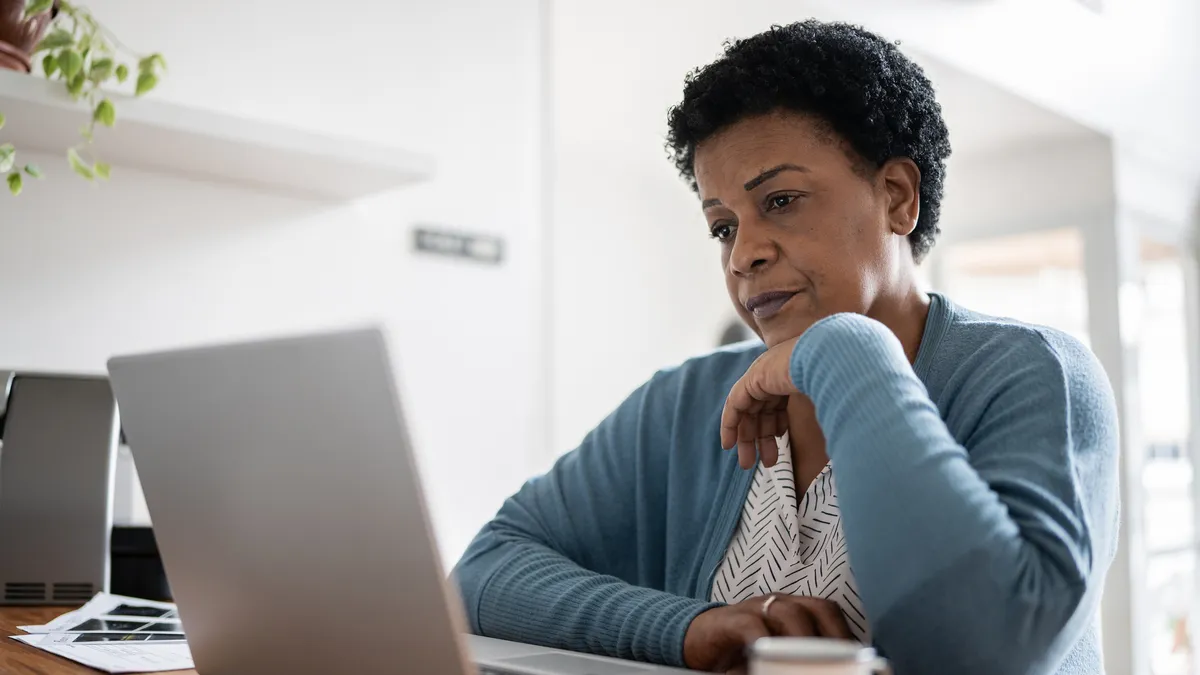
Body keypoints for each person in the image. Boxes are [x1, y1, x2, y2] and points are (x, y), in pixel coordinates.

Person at [453, 20, 1119, 675]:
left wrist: (841, 347)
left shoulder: (1032, 373)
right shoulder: (688, 402)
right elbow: (483, 572)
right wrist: (684, 628)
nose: (744, 254)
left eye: (781, 199)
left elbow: (982, 648)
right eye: (722, 227)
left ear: (897, 196)